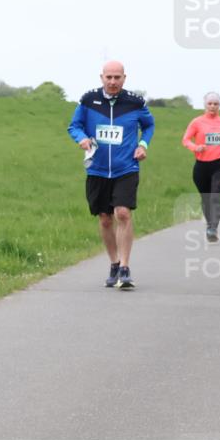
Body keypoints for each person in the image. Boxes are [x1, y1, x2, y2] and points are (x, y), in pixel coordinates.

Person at [67, 61, 155, 289]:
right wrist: (82, 139)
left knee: (123, 213)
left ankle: (125, 267)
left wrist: (143, 145)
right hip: (96, 168)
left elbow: (149, 125)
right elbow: (74, 126)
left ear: (124, 78)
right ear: (102, 78)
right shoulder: (88, 100)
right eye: (109, 77)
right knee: (105, 219)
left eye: (117, 77)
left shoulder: (135, 102)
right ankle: (114, 263)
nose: (113, 81)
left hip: (126, 167)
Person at [182, 92, 220, 242]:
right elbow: (185, 140)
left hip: (219, 165)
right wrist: (195, 147)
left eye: (216, 104)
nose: (213, 106)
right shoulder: (197, 122)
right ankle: (209, 225)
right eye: (210, 103)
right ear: (205, 104)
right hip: (201, 167)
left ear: (219, 105)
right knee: (206, 198)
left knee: (215, 195)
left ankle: (213, 228)